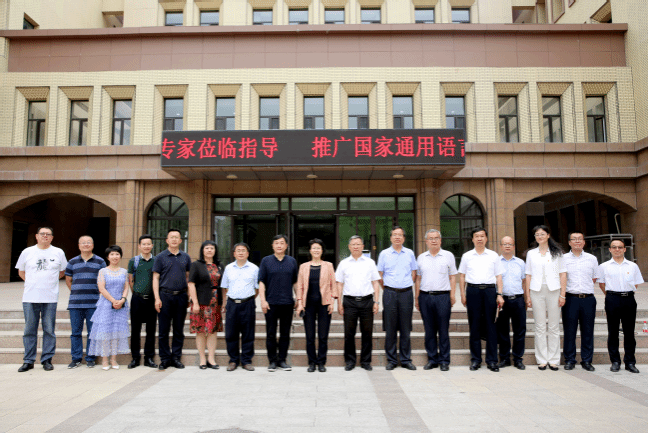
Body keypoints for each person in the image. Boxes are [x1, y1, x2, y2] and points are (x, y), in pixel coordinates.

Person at [16, 227, 67, 372]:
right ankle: (28, 360)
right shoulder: (27, 252)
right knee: (29, 330)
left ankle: (47, 360)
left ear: (52, 237)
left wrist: (48, 282)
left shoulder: (58, 252)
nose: (45, 236)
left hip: (50, 297)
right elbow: (21, 272)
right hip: (30, 297)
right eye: (42, 234)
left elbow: (62, 271)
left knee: (49, 330)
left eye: (48, 234)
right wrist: (33, 283)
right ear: (36, 236)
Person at [458, 227, 504, 372]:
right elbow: (462, 276)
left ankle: (492, 361)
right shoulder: (467, 256)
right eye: (476, 236)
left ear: (486, 238)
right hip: (473, 291)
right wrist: (463, 294)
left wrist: (499, 294)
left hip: (490, 291)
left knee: (491, 325)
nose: (479, 238)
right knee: (474, 326)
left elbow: (498, 276)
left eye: (482, 236)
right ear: (472, 239)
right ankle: (475, 360)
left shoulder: (493, 255)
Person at [598, 239, 644, 373]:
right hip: (612, 299)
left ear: (624, 249)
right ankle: (615, 361)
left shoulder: (632, 266)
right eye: (614, 247)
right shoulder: (604, 266)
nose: (617, 249)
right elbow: (602, 284)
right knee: (613, 332)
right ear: (610, 250)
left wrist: (625, 294)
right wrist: (611, 295)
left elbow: (635, 284)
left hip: (628, 299)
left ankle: (630, 362)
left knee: (629, 332)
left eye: (620, 247)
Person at [336, 235, 381, 371]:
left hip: (367, 301)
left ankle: (366, 361)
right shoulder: (344, 263)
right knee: (349, 333)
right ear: (349, 247)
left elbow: (375, 282)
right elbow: (339, 284)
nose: (356, 246)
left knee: (367, 333)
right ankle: (350, 361)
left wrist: (376, 301)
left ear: (363, 246)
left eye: (358, 244)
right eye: (353, 244)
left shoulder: (370, 263)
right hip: (349, 302)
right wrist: (339, 303)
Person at [525, 225, 567, 371]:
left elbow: (563, 274)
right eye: (537, 234)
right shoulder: (531, 254)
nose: (540, 237)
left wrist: (562, 294)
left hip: (554, 290)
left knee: (554, 326)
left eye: (542, 234)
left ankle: (554, 360)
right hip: (536, 290)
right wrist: (528, 295)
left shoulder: (557, 253)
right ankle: (542, 359)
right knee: (540, 326)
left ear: (548, 235)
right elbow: (528, 275)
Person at [415, 229, 457, 371]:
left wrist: (452, 295)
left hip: (443, 297)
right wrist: (417, 297)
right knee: (429, 330)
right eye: (430, 238)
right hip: (425, 296)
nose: (434, 240)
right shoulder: (421, 257)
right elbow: (418, 278)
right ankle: (432, 359)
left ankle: (444, 360)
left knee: (443, 330)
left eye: (436, 238)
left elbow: (452, 277)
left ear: (440, 240)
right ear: (426, 241)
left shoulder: (448, 256)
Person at [377, 226, 418, 371]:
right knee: (390, 328)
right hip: (390, 293)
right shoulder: (384, 254)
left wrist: (406, 284)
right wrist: (388, 288)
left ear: (404, 238)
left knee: (406, 328)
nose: (397, 237)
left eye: (400, 235)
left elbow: (414, 273)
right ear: (390, 237)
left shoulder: (410, 253)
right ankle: (392, 360)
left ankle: (406, 360)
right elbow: (380, 275)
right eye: (394, 235)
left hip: (406, 293)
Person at [258, 234, 299, 372]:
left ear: (286, 246)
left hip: (287, 303)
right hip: (271, 303)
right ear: (272, 246)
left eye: (282, 243)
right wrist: (263, 301)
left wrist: (298, 299)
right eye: (276, 243)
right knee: (271, 333)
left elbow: (295, 282)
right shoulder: (266, 261)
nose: (279, 245)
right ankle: (272, 361)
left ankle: (282, 360)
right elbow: (262, 282)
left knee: (285, 333)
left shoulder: (292, 261)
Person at [295, 239, 337, 373]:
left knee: (323, 336)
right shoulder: (303, 266)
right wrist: (300, 303)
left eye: (318, 248)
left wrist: (332, 301)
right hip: (308, 305)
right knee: (310, 336)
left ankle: (321, 362)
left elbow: (333, 285)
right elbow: (300, 286)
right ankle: (312, 362)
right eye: (314, 248)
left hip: (324, 304)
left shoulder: (328, 265)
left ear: (322, 250)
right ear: (310, 250)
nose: (316, 250)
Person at [64, 236, 106, 369]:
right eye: (83, 243)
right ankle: (76, 358)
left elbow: (104, 280)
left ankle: (90, 358)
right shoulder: (72, 262)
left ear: (93, 245)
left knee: (92, 332)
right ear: (79, 245)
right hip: (75, 303)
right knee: (75, 332)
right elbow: (68, 280)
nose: (86, 245)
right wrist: (77, 292)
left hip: (93, 303)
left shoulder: (100, 262)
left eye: (88, 242)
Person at [153, 228, 192, 370]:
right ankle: (164, 359)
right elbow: (155, 278)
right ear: (167, 240)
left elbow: (188, 277)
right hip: (165, 296)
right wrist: (157, 298)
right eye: (172, 237)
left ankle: (176, 358)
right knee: (163, 330)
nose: (174, 239)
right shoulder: (160, 257)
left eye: (177, 237)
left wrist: (189, 296)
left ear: (181, 240)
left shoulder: (185, 257)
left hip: (181, 296)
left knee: (178, 329)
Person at [87, 245, 130, 370]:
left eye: (117, 254)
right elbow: (101, 288)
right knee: (105, 333)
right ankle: (105, 360)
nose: (115, 256)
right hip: (106, 304)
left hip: (121, 305)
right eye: (112, 254)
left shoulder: (124, 271)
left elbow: (126, 287)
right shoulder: (103, 271)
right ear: (107, 257)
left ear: (120, 256)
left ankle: (114, 359)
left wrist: (122, 300)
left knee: (116, 332)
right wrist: (113, 300)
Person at [562, 232, 599, 372]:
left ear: (584, 242)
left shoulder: (592, 259)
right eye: (574, 239)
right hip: (570, 299)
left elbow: (594, 278)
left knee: (588, 331)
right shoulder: (563, 259)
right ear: (569, 242)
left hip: (588, 299)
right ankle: (569, 360)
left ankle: (587, 360)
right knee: (569, 331)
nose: (577, 241)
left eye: (580, 239)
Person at [221, 243, 259, 372]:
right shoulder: (228, 268)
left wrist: (247, 298)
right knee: (231, 333)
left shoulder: (254, 268)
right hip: (232, 304)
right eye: (238, 251)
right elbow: (225, 287)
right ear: (234, 254)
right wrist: (225, 303)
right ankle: (233, 360)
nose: (241, 253)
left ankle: (246, 361)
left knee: (248, 333)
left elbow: (257, 288)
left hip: (248, 303)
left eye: (243, 250)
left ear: (247, 253)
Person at [188, 240, 223, 369]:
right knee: (201, 331)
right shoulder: (196, 265)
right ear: (202, 250)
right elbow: (191, 284)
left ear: (215, 251)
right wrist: (195, 302)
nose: (209, 250)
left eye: (212, 248)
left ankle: (211, 359)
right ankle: (202, 359)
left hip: (216, 302)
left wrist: (224, 303)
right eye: (207, 248)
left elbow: (223, 286)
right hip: (201, 302)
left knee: (213, 331)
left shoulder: (220, 265)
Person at [496, 236, 528, 370]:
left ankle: (518, 359)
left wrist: (526, 298)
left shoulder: (520, 263)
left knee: (519, 330)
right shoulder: (496, 262)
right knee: (502, 331)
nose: (507, 246)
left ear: (514, 247)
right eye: (505, 244)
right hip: (502, 300)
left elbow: (524, 281)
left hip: (518, 299)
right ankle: (504, 359)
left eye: (510, 244)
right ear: (501, 246)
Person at [127, 234, 158, 369]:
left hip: (152, 299)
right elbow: (130, 280)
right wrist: (136, 293)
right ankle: (135, 358)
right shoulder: (133, 261)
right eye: (143, 244)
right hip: (137, 299)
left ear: (152, 245)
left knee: (151, 329)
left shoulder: (156, 261)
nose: (146, 246)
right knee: (135, 329)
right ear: (139, 246)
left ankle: (148, 358)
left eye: (148, 244)